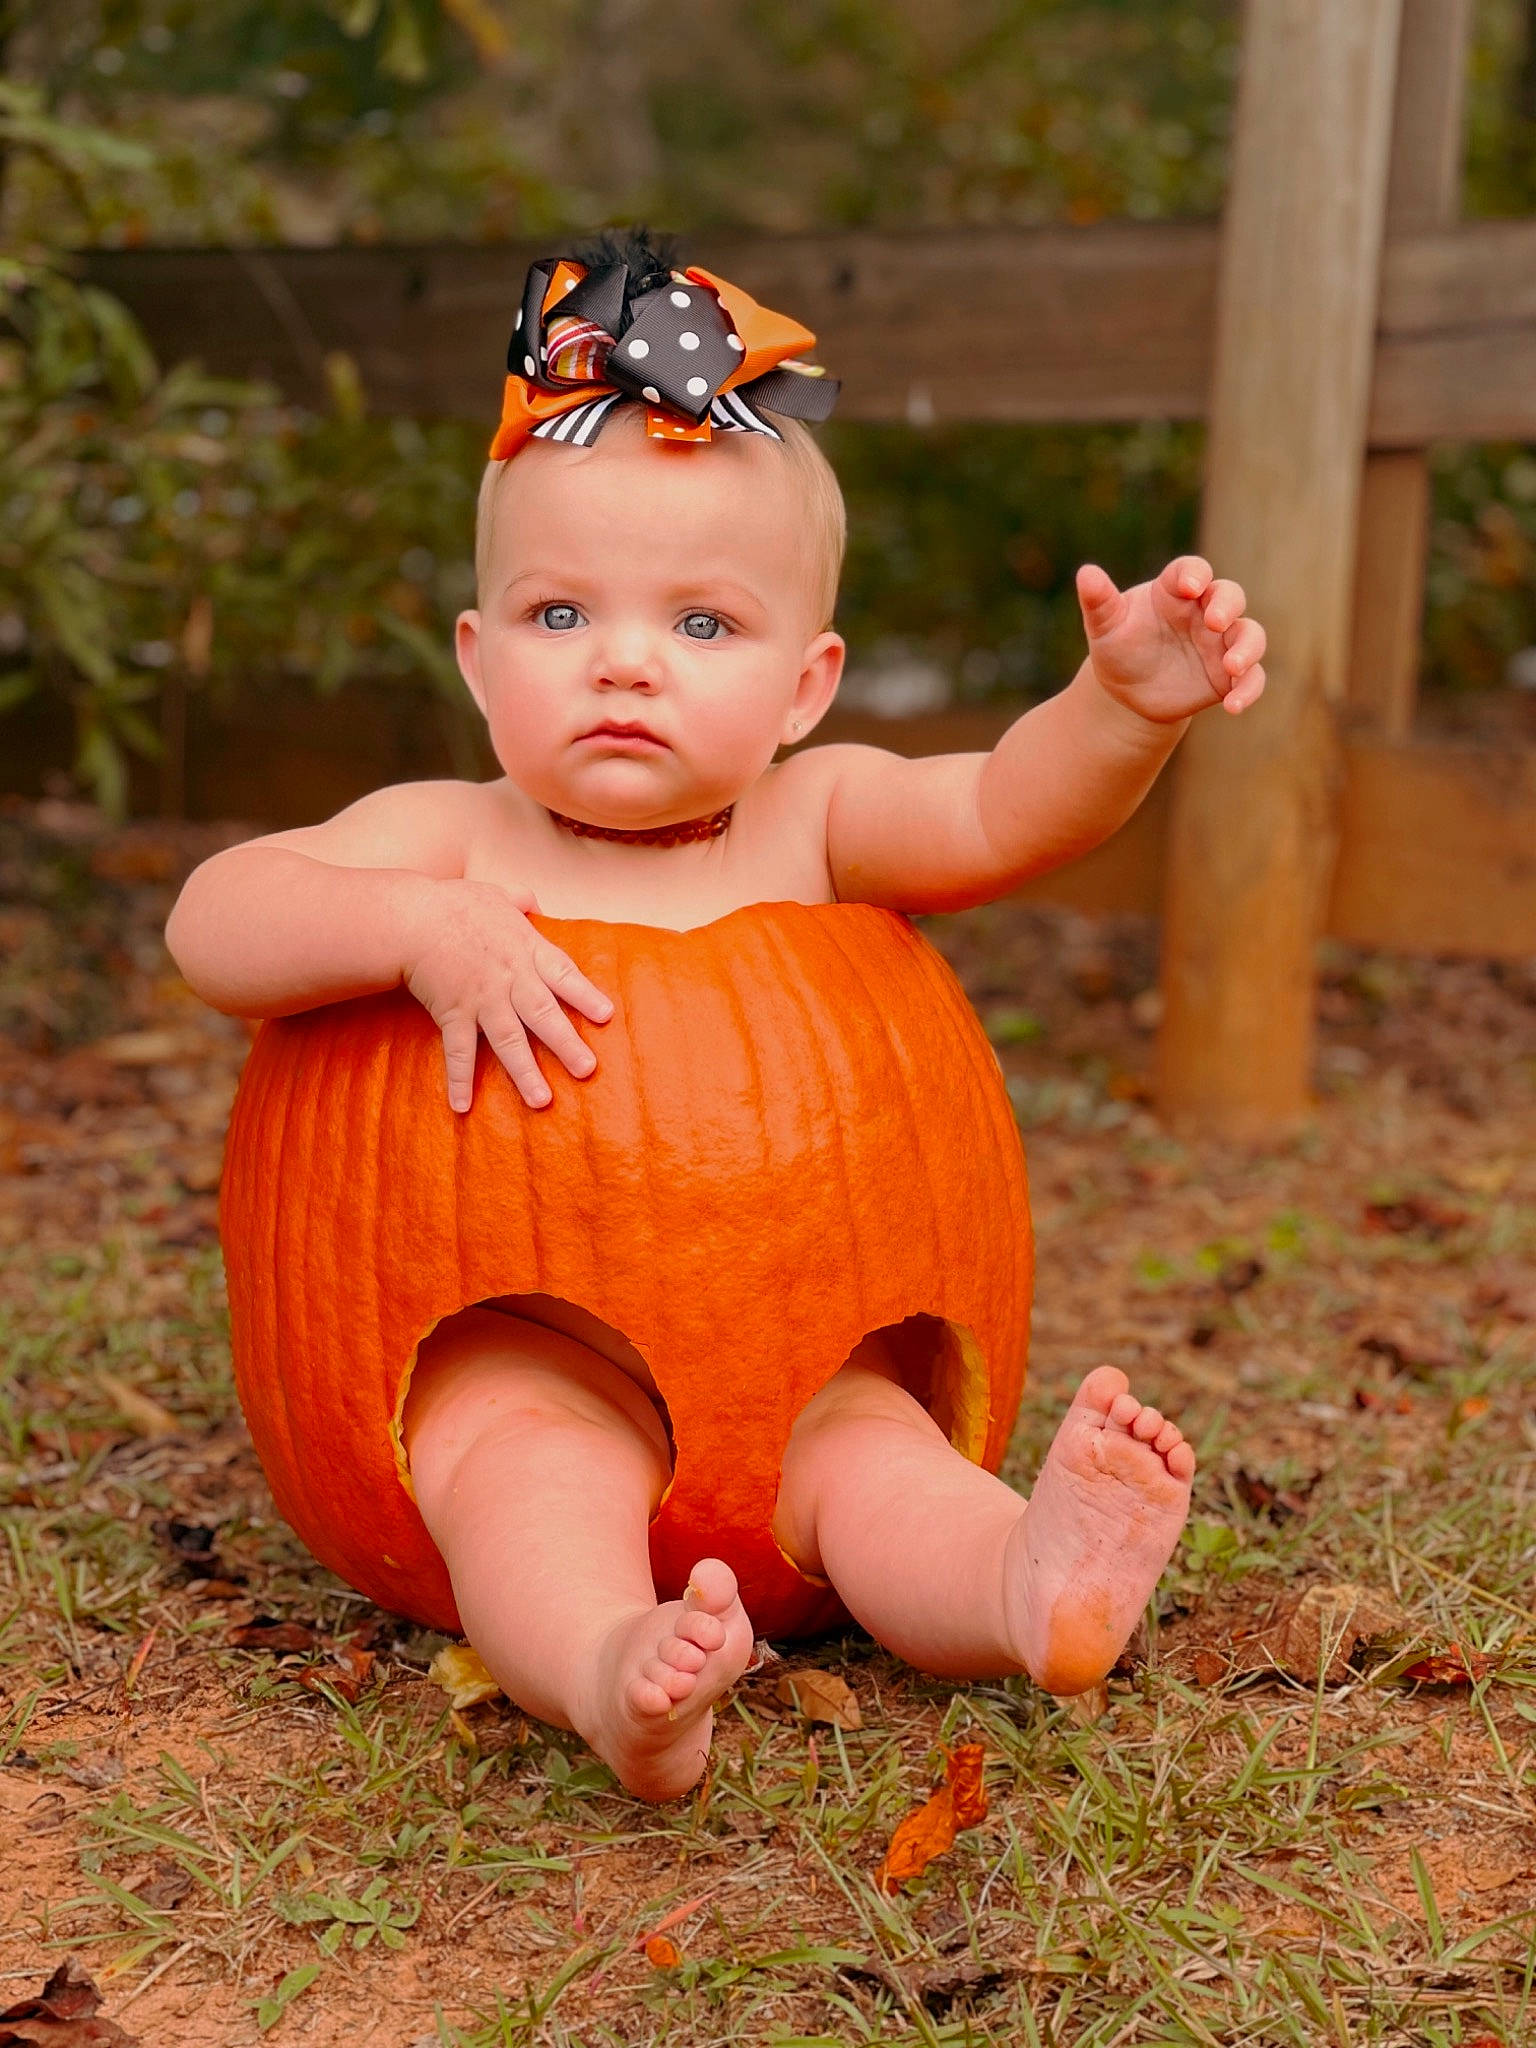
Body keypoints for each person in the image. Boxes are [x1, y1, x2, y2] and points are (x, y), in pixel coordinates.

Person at [167, 230, 1266, 1802]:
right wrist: (406, 928)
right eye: (561, 617)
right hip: (536, 1350)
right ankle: (612, 1666)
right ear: (479, 662)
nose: (622, 664)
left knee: (877, 1460)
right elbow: (214, 922)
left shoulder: (815, 822)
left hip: (801, 1366)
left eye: (700, 626)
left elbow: (1004, 812)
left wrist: (1120, 710)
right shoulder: (445, 838)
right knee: (516, 1472)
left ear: (807, 684)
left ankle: (1022, 1584)